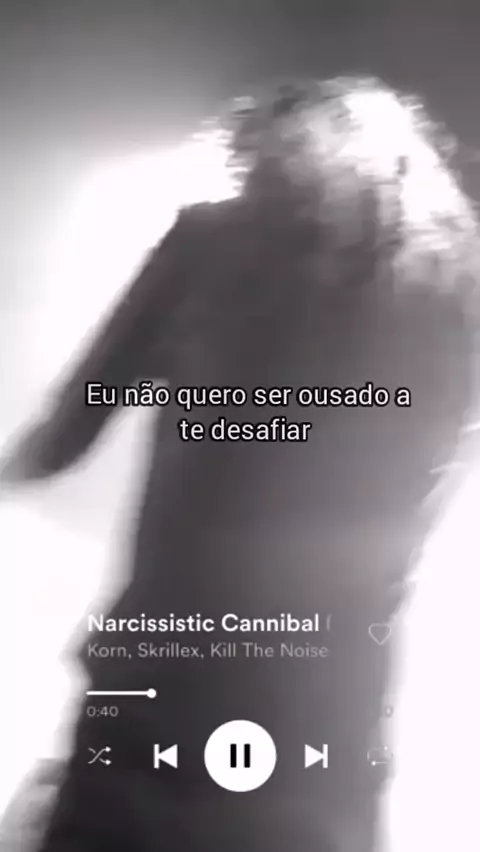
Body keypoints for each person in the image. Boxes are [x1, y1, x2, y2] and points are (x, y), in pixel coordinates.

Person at [1, 76, 479, 852]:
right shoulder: (452, 288)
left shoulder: (208, 240)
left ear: (265, 156)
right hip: (332, 690)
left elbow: (67, 431)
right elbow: (437, 486)